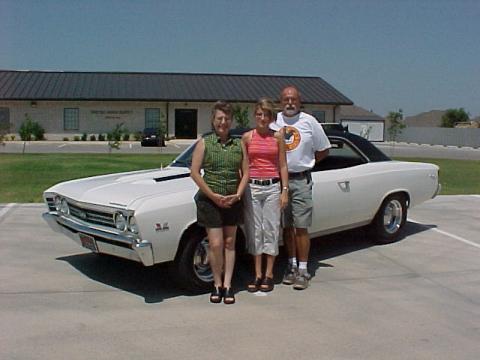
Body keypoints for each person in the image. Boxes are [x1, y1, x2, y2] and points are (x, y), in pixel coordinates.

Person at [190, 101, 249, 304]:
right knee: (215, 244)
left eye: (226, 119)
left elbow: (246, 172)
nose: (223, 122)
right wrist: (213, 195)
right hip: (210, 201)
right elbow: (195, 173)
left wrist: (238, 194)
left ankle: (228, 285)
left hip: (233, 200)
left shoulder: (239, 144)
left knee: (230, 243)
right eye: (219, 119)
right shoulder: (204, 143)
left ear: (231, 121)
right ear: (213, 121)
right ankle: (216, 284)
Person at [274, 86, 331, 290]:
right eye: (286, 99)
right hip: (280, 182)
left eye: (293, 99)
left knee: (301, 227)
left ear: (300, 101)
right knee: (287, 227)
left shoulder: (309, 121)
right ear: (280, 102)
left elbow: (324, 149)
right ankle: (291, 265)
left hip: (301, 181)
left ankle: (304, 270)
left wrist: (308, 162)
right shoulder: (275, 122)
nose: (290, 103)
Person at [243, 98, 289, 293]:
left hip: (272, 187)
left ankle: (269, 274)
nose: (262, 118)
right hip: (252, 188)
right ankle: (257, 273)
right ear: (255, 115)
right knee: (255, 231)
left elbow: (283, 165)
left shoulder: (278, 137)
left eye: (266, 114)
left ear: (271, 117)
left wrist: (284, 190)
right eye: (259, 114)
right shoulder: (247, 138)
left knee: (271, 229)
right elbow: (244, 166)